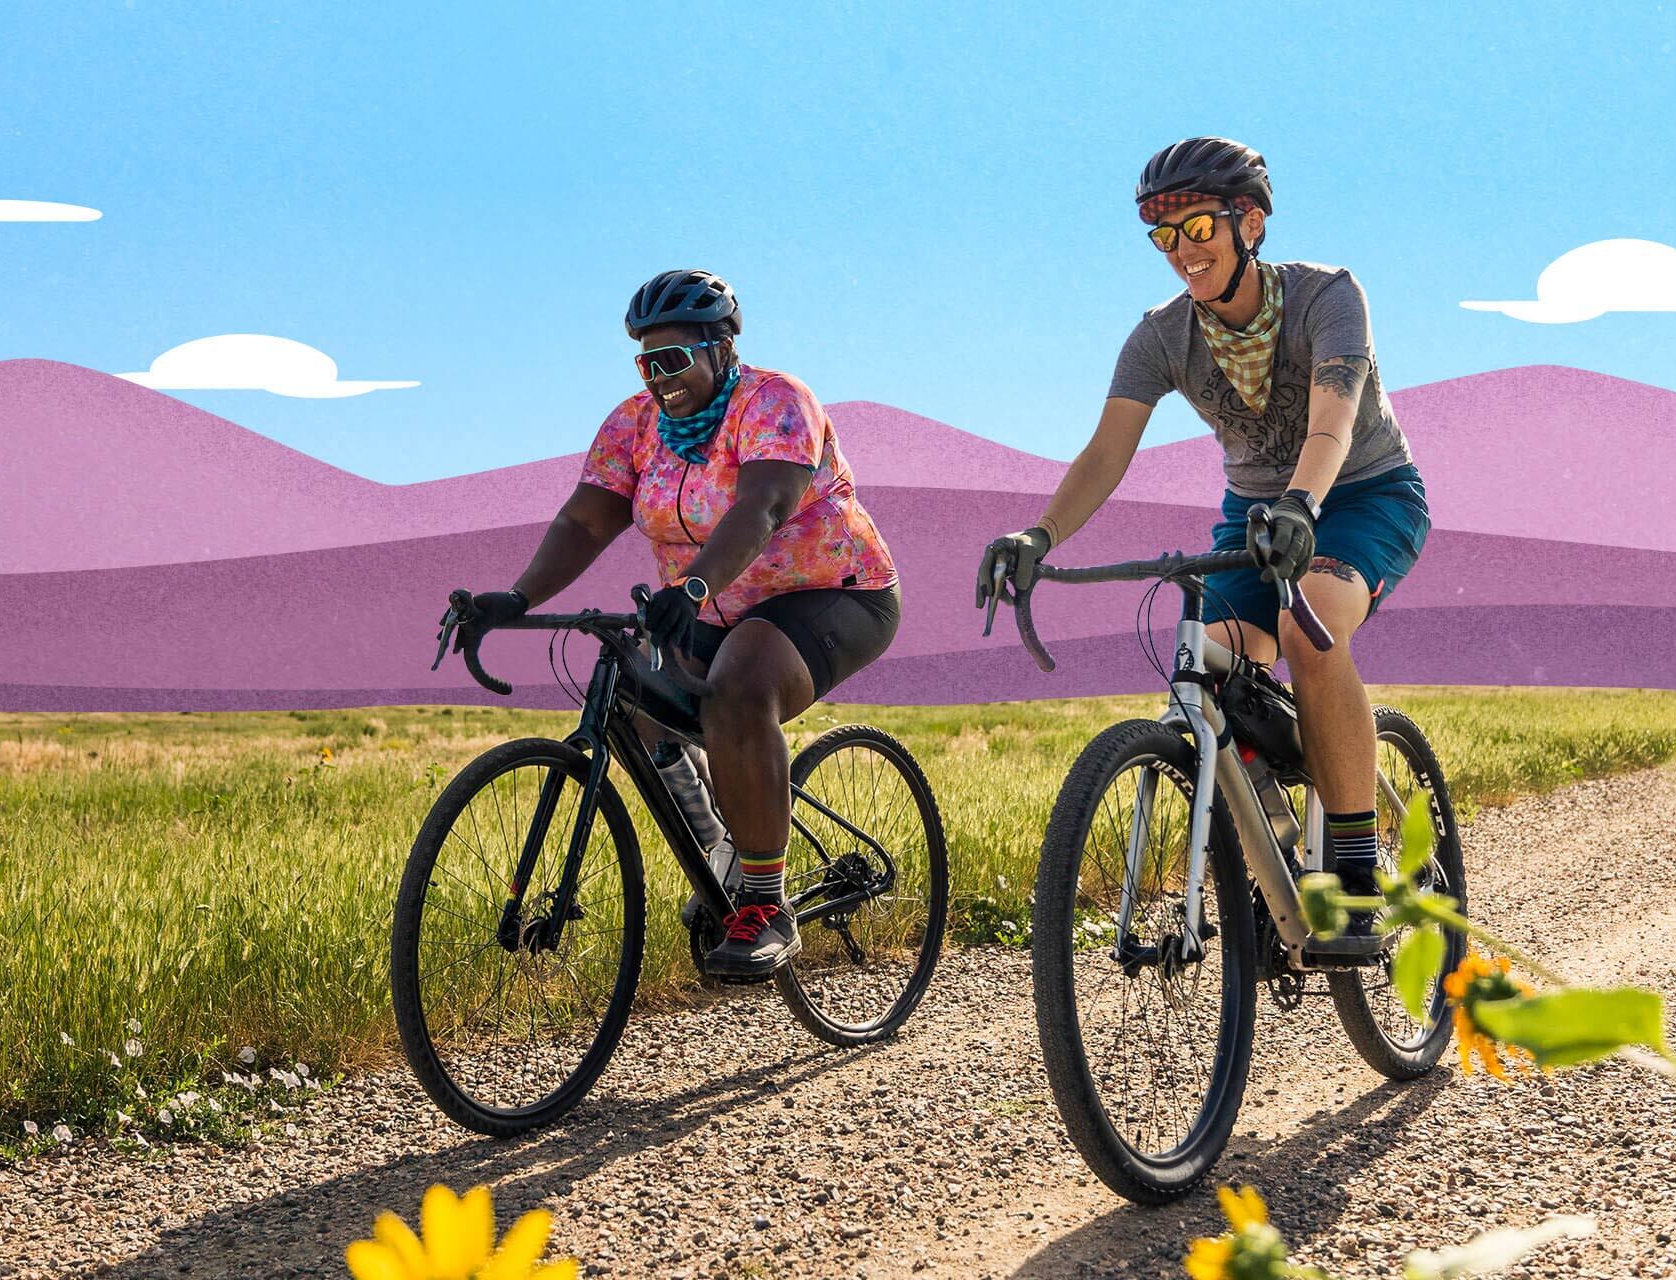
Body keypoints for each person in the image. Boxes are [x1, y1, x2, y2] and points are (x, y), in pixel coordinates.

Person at [977, 137, 1432, 936]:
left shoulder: (1328, 296)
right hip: (1255, 516)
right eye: (1165, 236)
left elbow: (1331, 421)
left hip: (1364, 494)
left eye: (1199, 230)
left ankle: (1355, 867)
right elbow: (1106, 452)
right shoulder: (1159, 337)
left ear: (1249, 222)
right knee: (1206, 661)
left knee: (1309, 627)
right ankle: (1269, 846)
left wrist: (1300, 503)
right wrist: (1038, 534)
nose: (1181, 251)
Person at [454, 269, 902, 979]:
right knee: (639, 709)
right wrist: (517, 597)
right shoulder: (634, 424)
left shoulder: (775, 400)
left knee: (739, 689)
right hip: (706, 604)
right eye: (646, 362)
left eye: (673, 359)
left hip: (830, 590)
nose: (659, 376)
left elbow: (762, 508)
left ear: (721, 349)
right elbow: (583, 519)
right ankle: (723, 855)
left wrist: (693, 584)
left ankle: (765, 903)